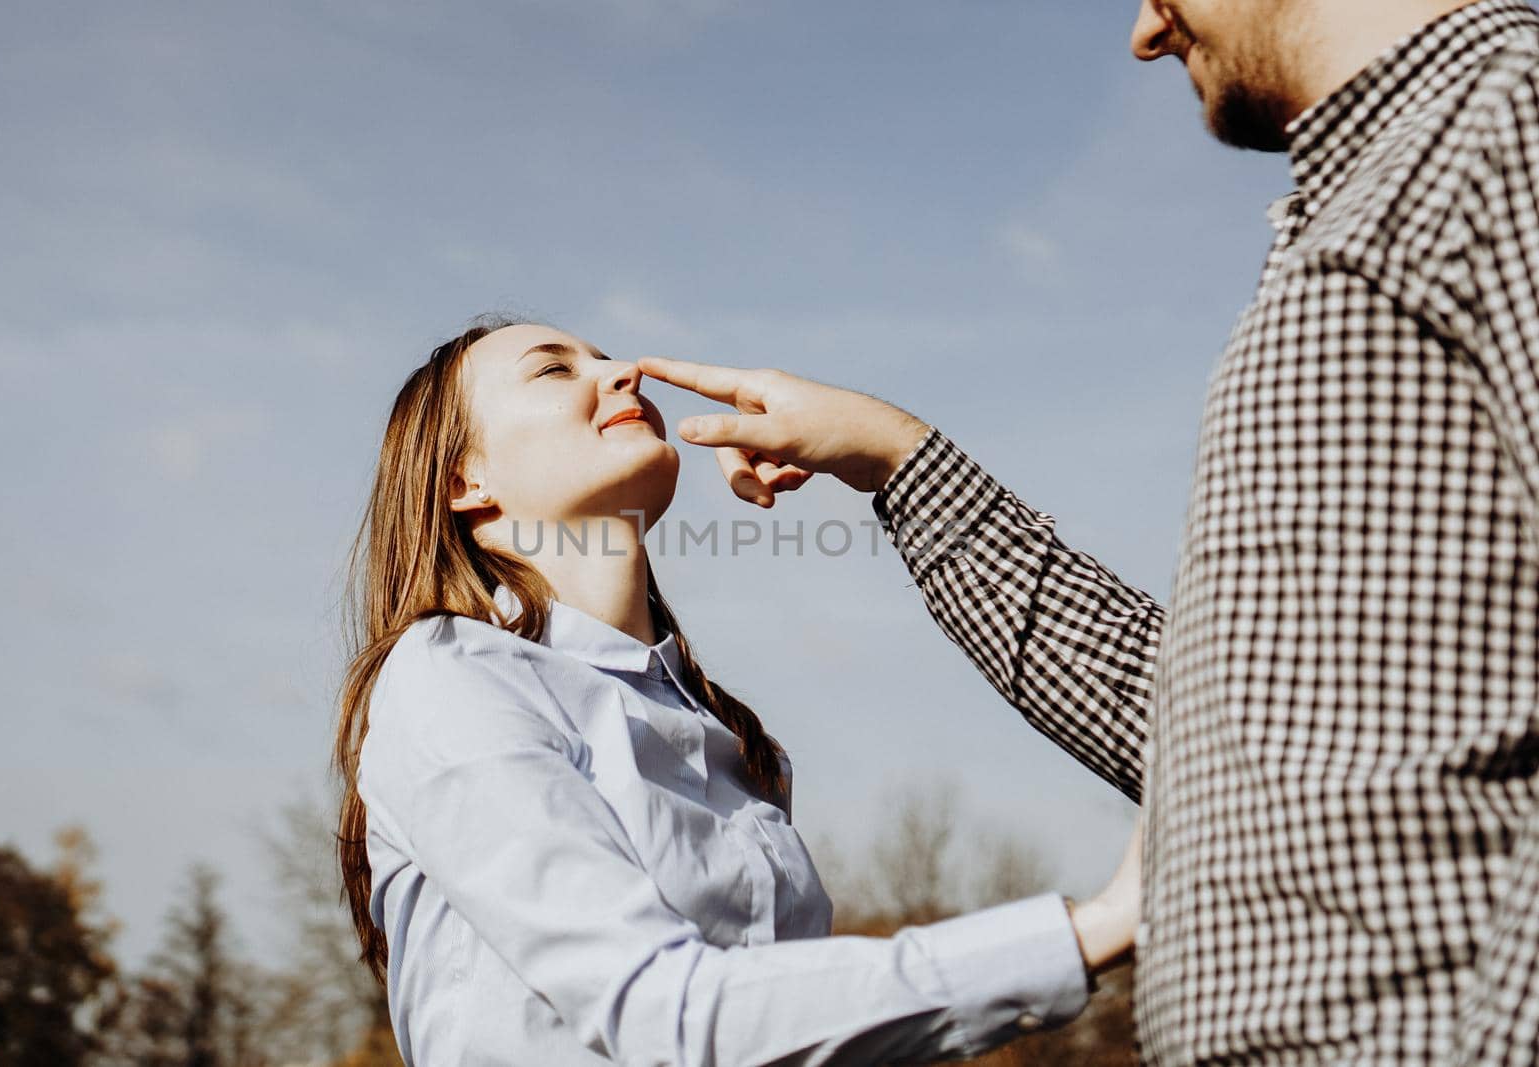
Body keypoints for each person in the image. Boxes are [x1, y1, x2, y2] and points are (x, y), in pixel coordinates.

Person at [635, 1, 1539, 1062]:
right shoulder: (1386, 197)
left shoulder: (1502, 131)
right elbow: (1229, 727)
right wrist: (897, 460)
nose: (1145, 35)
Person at [330, 315, 1142, 1066]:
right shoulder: (451, 675)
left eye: (605, 355)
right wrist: (1096, 927)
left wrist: (881, 447)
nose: (622, 373)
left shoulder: (738, 743)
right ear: (464, 480)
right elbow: (664, 1014)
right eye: (553, 368)